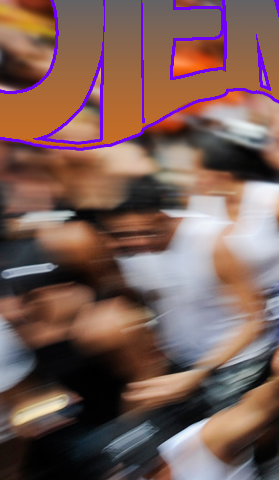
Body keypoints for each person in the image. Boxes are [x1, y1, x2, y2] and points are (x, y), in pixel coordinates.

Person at [80, 319, 279, 480]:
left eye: (157, 463)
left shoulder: (196, 446)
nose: (159, 477)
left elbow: (255, 410)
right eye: (143, 471)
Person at [100, 176, 268, 414]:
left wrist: (200, 372)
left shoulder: (214, 244)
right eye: (121, 235)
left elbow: (254, 319)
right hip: (182, 365)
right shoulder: (128, 251)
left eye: (142, 232)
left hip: (237, 364)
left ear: (162, 216)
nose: (135, 242)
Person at [191, 123, 279, 344]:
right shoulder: (203, 207)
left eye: (199, 171)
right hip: (246, 312)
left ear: (222, 174)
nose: (196, 179)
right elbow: (234, 281)